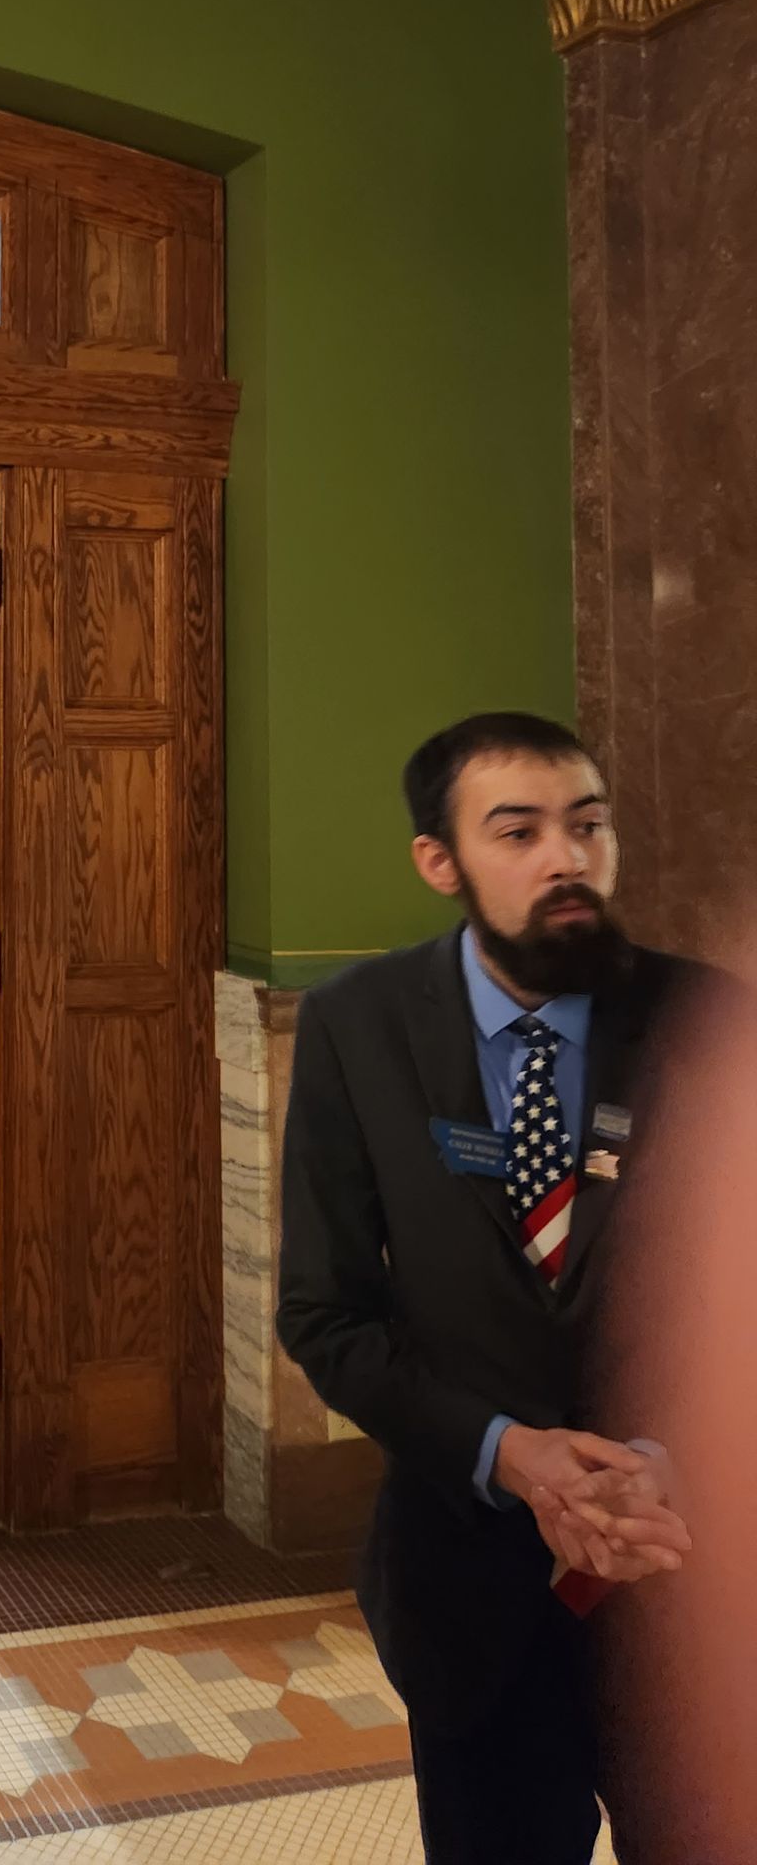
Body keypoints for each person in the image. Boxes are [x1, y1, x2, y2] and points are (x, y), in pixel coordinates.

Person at [276, 711, 698, 1865]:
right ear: (440, 860)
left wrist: (676, 1460)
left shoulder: (709, 1022)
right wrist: (511, 1450)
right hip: (471, 1588)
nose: (567, 857)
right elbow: (326, 1314)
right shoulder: (358, 1028)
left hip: (691, 1586)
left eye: (589, 825)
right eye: (518, 831)